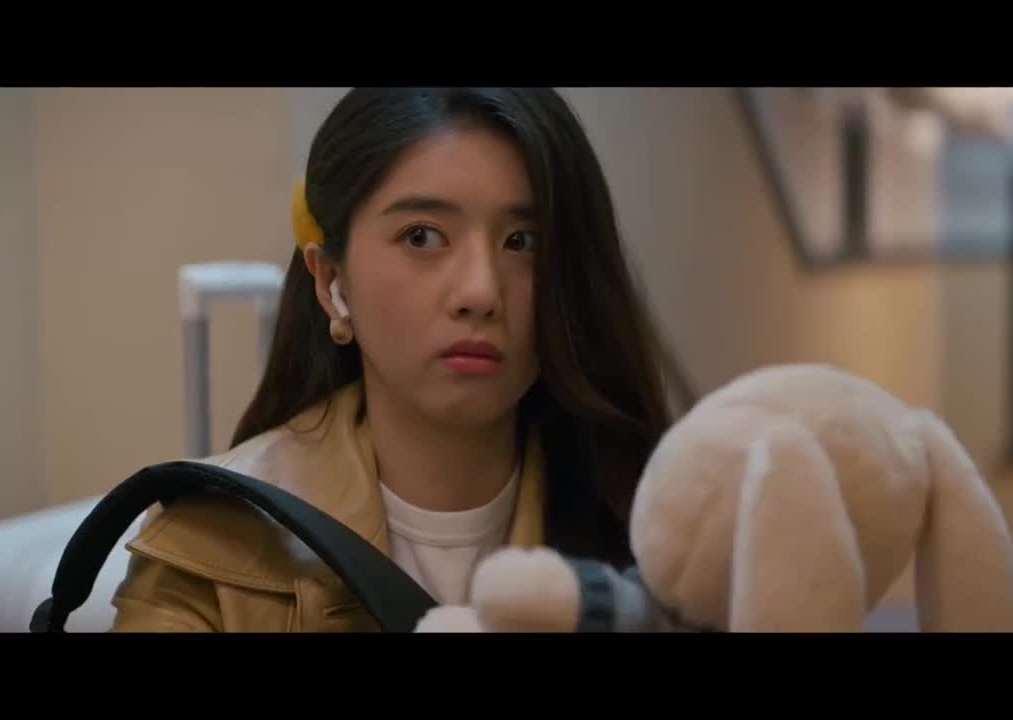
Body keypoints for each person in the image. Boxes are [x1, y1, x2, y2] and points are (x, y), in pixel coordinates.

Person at [109, 87, 673, 632]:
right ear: (331, 281)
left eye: (522, 242)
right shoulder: (210, 548)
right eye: (422, 236)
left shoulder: (664, 539)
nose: (480, 291)